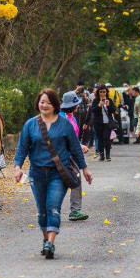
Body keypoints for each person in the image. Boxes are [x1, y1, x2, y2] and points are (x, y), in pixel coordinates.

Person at [14, 89, 92, 259]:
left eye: (48, 103)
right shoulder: (30, 125)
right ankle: (45, 240)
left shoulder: (64, 125)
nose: (45, 105)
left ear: (55, 105)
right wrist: (17, 167)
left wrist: (84, 168)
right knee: (42, 211)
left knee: (53, 207)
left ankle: (51, 242)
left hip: (58, 174)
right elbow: (22, 148)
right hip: (36, 174)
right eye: (42, 102)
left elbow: (75, 149)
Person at [59, 93, 90, 221]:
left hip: (71, 154)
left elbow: (73, 137)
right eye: (76, 103)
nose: (78, 105)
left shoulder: (72, 117)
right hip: (61, 155)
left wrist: (80, 145)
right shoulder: (61, 118)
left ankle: (75, 210)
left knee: (76, 178)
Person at [88, 85, 116, 161]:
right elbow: (93, 110)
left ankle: (108, 155)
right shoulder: (95, 100)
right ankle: (101, 155)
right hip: (98, 122)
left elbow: (113, 110)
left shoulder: (109, 100)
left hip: (107, 123)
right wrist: (99, 105)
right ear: (98, 92)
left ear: (106, 92)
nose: (102, 93)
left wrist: (108, 105)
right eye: (101, 92)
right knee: (100, 139)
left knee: (107, 138)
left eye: (104, 92)